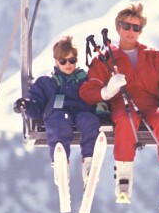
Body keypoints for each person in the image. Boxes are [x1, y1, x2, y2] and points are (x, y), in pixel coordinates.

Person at [79, 2, 159, 201]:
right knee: (125, 118)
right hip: (123, 104)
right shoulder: (105, 59)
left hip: (152, 104)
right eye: (126, 26)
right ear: (118, 27)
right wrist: (107, 90)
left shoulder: (154, 56)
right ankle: (123, 178)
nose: (131, 31)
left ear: (140, 31)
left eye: (136, 28)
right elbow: (88, 90)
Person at [13, 36, 101, 188]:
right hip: (58, 113)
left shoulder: (84, 78)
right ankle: (61, 164)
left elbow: (96, 95)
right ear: (56, 61)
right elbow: (37, 104)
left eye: (72, 60)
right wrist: (26, 105)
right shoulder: (47, 82)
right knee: (59, 123)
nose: (68, 65)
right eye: (63, 61)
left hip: (81, 111)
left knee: (90, 121)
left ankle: (89, 161)